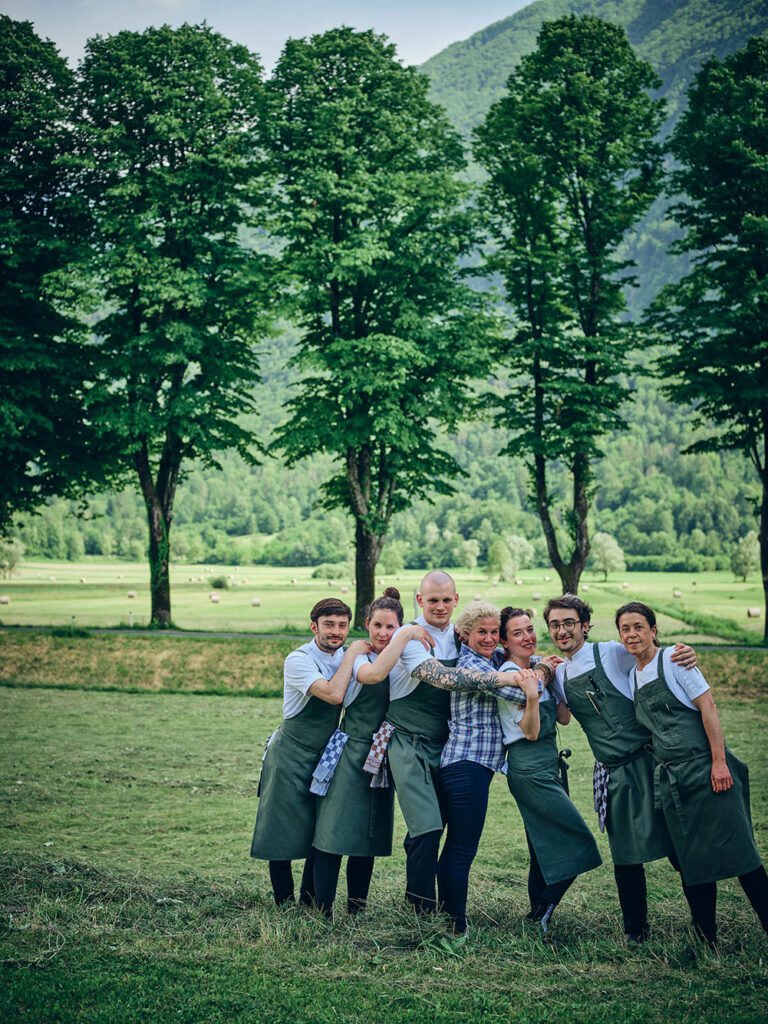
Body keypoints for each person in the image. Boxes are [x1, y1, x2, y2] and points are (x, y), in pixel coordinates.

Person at [386, 571, 554, 914]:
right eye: (433, 600)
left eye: (447, 600)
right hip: (412, 740)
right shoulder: (413, 638)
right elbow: (446, 677)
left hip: (445, 742)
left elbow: (503, 652)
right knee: (428, 827)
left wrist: (541, 665)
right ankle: (421, 908)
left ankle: (435, 908)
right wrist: (513, 677)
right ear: (420, 601)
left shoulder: (458, 635)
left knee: (442, 827)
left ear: (456, 600)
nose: (440, 606)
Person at [544, 593, 698, 943]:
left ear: (584, 625)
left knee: (679, 849)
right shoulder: (559, 674)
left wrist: (684, 652)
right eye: (555, 624)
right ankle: (636, 932)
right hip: (614, 773)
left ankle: (703, 926)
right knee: (626, 858)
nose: (562, 630)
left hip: (650, 763)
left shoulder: (610, 651)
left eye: (569, 622)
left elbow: (652, 657)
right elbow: (565, 718)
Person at [615, 601, 768, 947]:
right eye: (625, 628)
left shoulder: (675, 661)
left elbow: (708, 706)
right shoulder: (632, 676)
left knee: (743, 856)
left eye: (639, 626)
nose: (632, 634)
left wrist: (719, 763)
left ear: (654, 630)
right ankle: (705, 940)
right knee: (692, 862)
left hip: (708, 770)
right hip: (672, 780)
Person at [312, 588, 433, 918]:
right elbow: (374, 675)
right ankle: (322, 912)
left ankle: (356, 910)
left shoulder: (403, 659)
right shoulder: (362, 659)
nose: (383, 633)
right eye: (377, 625)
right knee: (333, 833)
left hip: (381, 756)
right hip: (348, 751)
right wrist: (408, 633)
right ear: (367, 624)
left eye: (391, 627)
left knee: (367, 836)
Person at [250, 597, 371, 907]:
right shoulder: (298, 659)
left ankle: (308, 898)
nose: (336, 632)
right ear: (314, 626)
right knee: (281, 827)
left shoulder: (347, 656)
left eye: (342, 626)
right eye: (329, 625)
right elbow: (332, 694)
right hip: (289, 752)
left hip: (327, 755)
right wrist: (354, 652)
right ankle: (283, 901)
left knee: (322, 828)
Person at [436, 600, 547, 934]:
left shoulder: (492, 659)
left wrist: (538, 664)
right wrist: (541, 672)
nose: (488, 638)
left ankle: (448, 915)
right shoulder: (476, 667)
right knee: (461, 847)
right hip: (466, 764)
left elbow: (523, 665)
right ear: (465, 634)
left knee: (459, 845)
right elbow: (527, 691)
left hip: (472, 766)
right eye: (480, 632)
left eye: (493, 632)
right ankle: (455, 923)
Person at [496, 606, 602, 939]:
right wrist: (531, 692)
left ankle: (536, 913)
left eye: (530, 629)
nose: (527, 637)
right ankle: (547, 908)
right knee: (579, 840)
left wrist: (555, 675)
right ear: (504, 640)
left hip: (548, 761)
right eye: (517, 633)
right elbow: (528, 730)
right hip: (528, 765)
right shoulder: (511, 674)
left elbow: (564, 717)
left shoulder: (538, 668)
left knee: (540, 845)